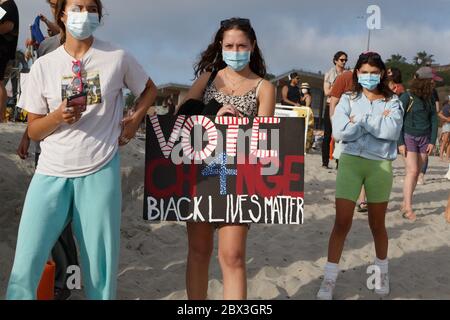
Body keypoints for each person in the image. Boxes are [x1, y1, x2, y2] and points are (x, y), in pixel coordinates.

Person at [6, 0, 157, 300]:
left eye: (91, 8)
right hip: (50, 172)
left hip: (100, 170)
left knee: (100, 269)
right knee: (26, 262)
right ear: (61, 14)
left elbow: (149, 89)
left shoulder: (117, 56)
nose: (84, 15)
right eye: (77, 8)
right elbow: (34, 130)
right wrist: (57, 117)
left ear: (99, 15)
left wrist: (134, 118)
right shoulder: (43, 65)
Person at [181, 17, 275, 300]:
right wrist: (214, 111)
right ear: (221, 46)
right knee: (198, 251)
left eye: (241, 45)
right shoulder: (208, 78)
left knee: (232, 255)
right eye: (230, 45)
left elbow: (266, 135)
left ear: (252, 46)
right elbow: (182, 115)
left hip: (239, 179)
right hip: (201, 173)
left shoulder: (264, 87)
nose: (236, 50)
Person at [317, 52, 403, 300]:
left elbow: (392, 131)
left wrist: (360, 121)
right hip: (351, 162)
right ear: (356, 73)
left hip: (380, 165)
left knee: (377, 225)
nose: (368, 76)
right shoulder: (348, 97)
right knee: (341, 222)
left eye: (374, 72)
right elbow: (340, 132)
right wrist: (374, 122)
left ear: (382, 73)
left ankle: (381, 274)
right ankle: (329, 280)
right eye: (364, 72)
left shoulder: (393, 102)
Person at [15, 0, 81, 301]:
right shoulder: (46, 48)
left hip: (78, 150)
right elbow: (35, 107)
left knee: (67, 224)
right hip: (48, 147)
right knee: (50, 222)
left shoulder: (90, 52)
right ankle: (59, 280)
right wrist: (27, 138)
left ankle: (67, 281)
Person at [398, 67, 438, 221]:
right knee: (412, 171)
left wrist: (432, 141)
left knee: (416, 173)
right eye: (431, 81)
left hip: (425, 139)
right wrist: (400, 142)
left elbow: (434, 119)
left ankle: (405, 202)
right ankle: (408, 208)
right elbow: (398, 120)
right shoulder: (407, 97)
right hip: (409, 137)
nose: (433, 83)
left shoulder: (429, 98)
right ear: (424, 81)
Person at [329, 70, 368, 213]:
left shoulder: (375, 86)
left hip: (365, 132)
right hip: (346, 130)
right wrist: (335, 125)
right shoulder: (345, 78)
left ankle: (362, 200)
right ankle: (342, 199)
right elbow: (333, 102)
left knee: (364, 165)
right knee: (344, 167)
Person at [322, 51, 348, 169]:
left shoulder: (347, 74)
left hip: (343, 107)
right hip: (330, 105)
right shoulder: (329, 73)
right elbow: (326, 92)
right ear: (336, 60)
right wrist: (338, 87)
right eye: (342, 60)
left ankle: (339, 163)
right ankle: (325, 162)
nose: (344, 62)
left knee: (341, 135)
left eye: (345, 60)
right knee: (327, 135)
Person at [0, 0, 19, 122]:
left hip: (2, 49)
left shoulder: (8, 5)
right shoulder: (4, 6)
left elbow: (9, 25)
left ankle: (0, 117)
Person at [300, 82, 314, 153]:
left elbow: (307, 106)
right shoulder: (301, 96)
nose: (303, 89)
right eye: (302, 88)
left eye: (305, 88)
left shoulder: (308, 96)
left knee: (307, 129)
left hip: (306, 112)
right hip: (301, 112)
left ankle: (306, 147)